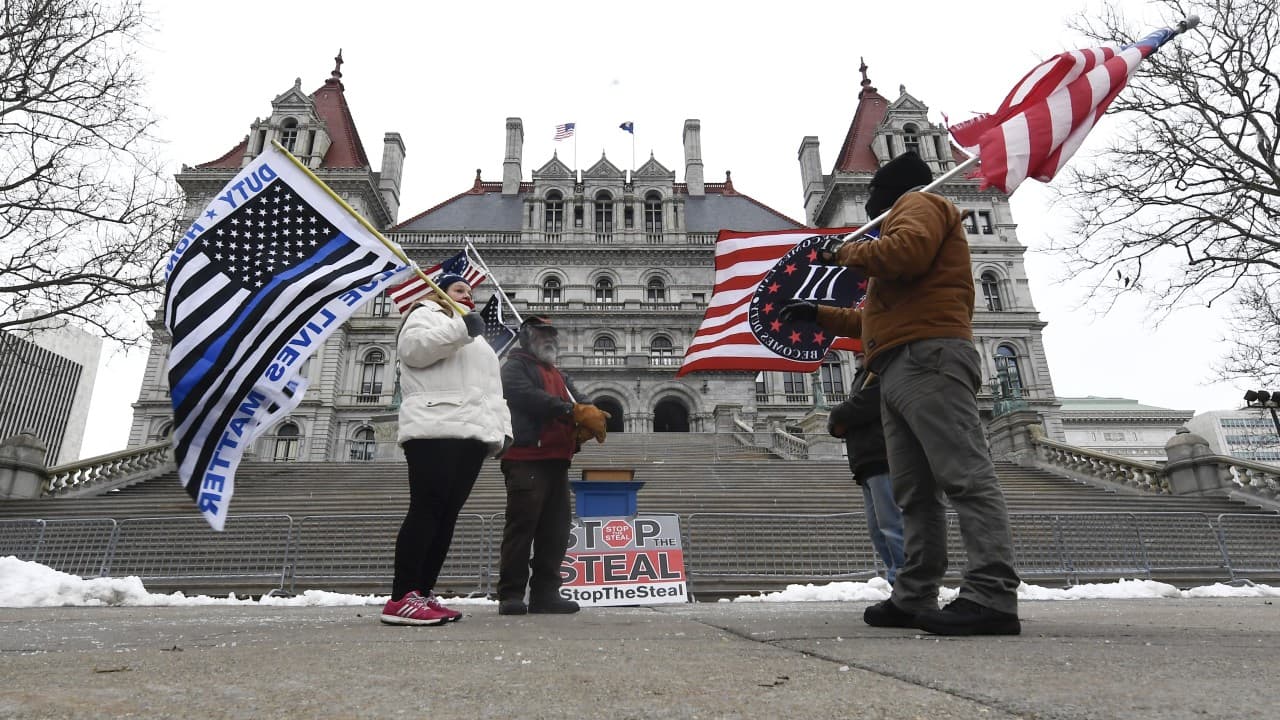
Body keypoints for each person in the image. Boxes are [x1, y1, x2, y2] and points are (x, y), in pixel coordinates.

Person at [780, 150, 1021, 636]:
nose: (869, 209)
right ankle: (914, 594)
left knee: (964, 476)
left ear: (889, 194)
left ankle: (991, 594)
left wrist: (841, 252)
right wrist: (820, 314)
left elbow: (903, 255)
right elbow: (873, 317)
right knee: (914, 492)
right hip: (897, 363)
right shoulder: (902, 225)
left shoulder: (919, 205)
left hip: (928, 355)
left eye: (873, 199)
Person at [380, 273, 512, 626]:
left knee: (446, 516)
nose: (468, 294)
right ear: (437, 292)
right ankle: (401, 596)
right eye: (459, 289)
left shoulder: (473, 334)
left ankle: (422, 592)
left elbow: (490, 387)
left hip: (470, 430)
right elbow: (413, 351)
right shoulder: (425, 313)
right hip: (434, 424)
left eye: (470, 291)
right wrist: (461, 329)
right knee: (427, 509)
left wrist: (503, 427)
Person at [497, 316, 610, 616]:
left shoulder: (558, 374)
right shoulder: (514, 366)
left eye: (552, 335)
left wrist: (593, 412)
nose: (549, 339)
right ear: (527, 338)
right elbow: (526, 396)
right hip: (525, 458)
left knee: (555, 532)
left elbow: (580, 399)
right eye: (541, 334)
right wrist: (571, 410)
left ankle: (546, 594)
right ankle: (511, 594)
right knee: (522, 529)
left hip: (557, 460)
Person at [827, 350, 904, 585]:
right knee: (878, 530)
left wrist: (838, 415)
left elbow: (864, 405)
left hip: (883, 457)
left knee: (892, 526)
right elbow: (854, 409)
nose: (855, 349)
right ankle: (897, 581)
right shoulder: (862, 374)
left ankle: (909, 584)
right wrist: (840, 418)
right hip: (865, 463)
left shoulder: (883, 367)